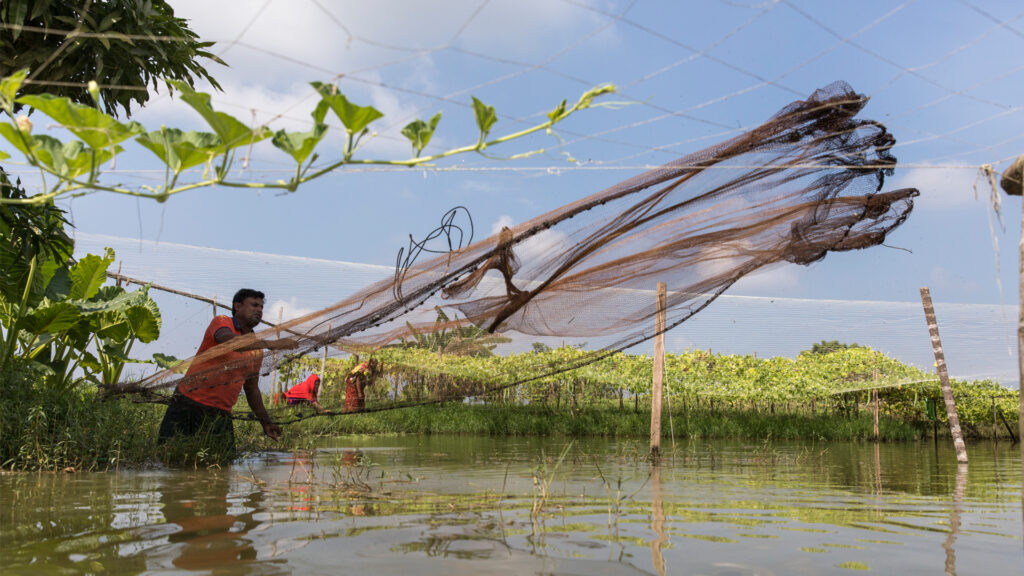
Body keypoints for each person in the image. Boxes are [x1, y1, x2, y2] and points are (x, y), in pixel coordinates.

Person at [158, 288, 295, 451]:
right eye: (254, 305)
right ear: (238, 306)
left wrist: (266, 422)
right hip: (188, 403)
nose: (259, 310)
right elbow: (228, 341)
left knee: (221, 464)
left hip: (220, 412)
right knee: (171, 453)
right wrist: (272, 344)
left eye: (261, 307)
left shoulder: (256, 349)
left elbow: (252, 390)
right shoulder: (222, 322)